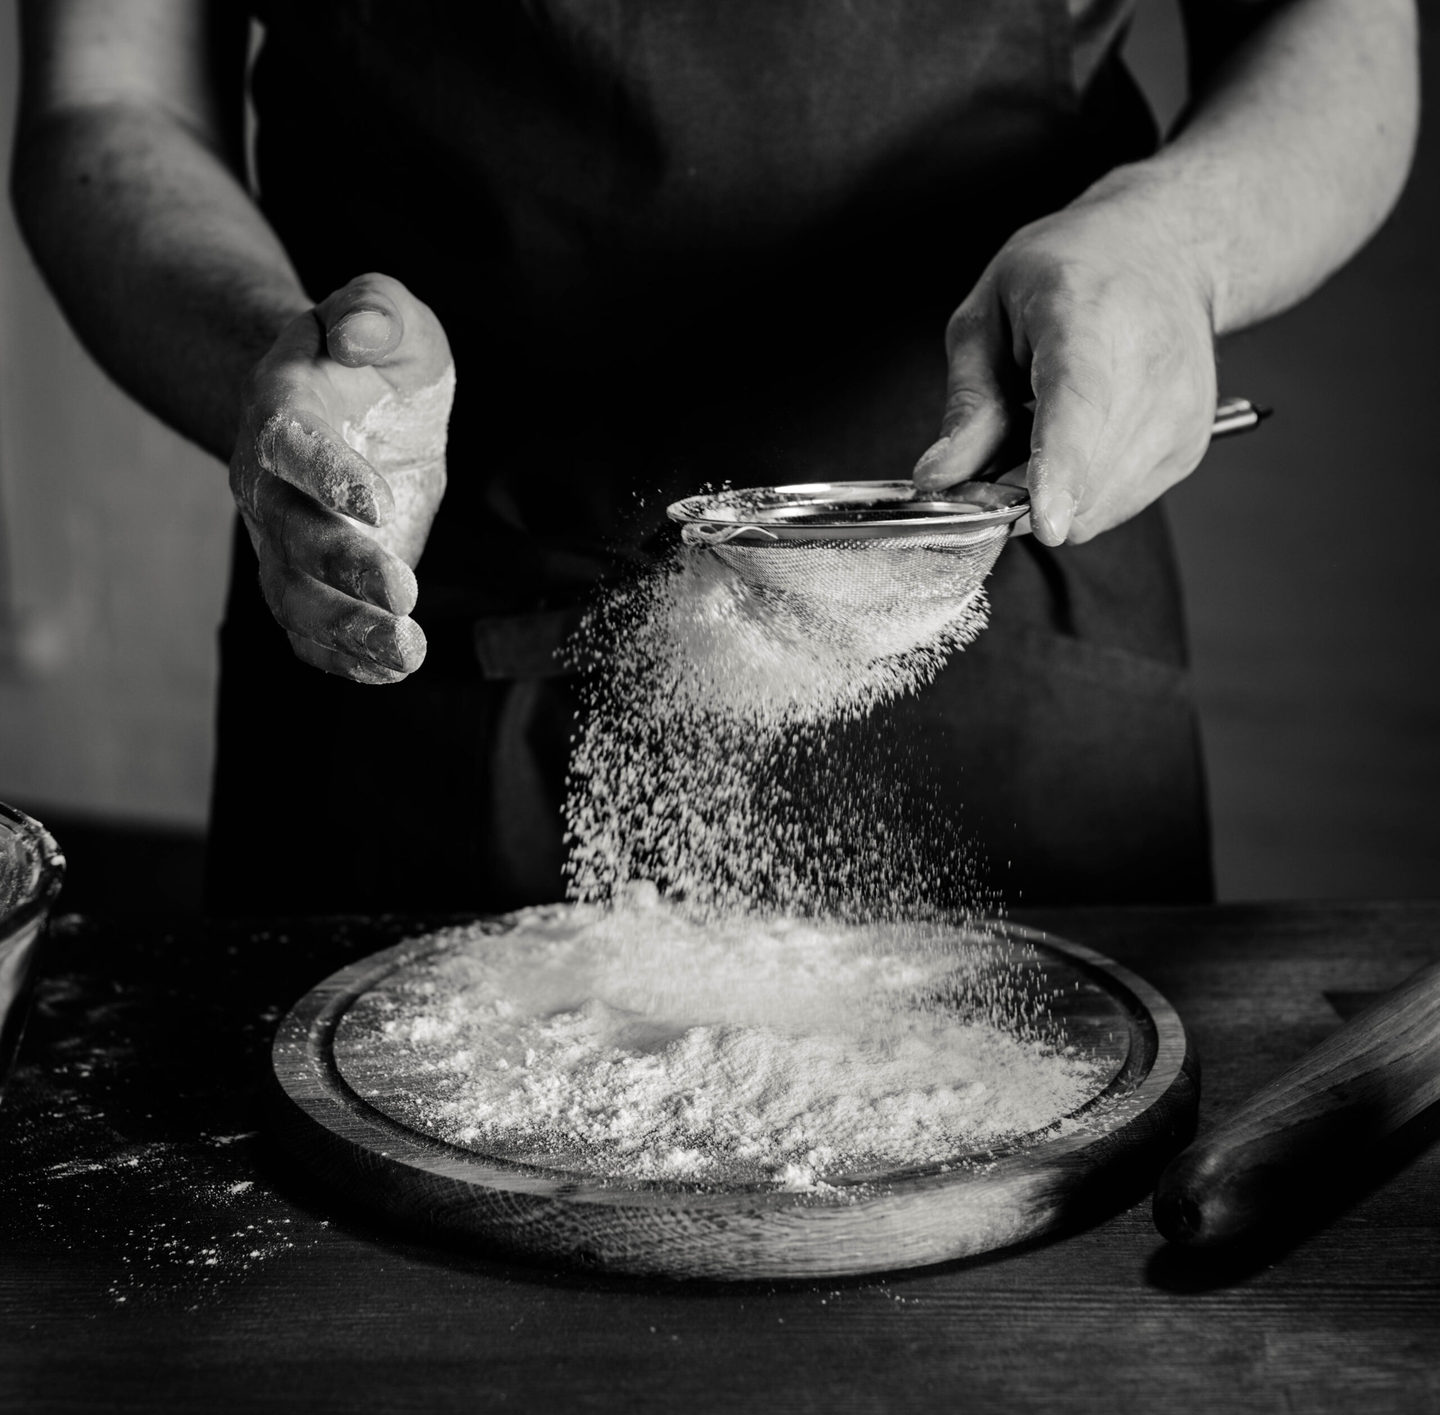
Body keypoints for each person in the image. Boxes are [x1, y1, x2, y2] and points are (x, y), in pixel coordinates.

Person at [11, 1, 1419, 913]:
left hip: (982, 609)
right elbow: (111, 98)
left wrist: (1174, 244)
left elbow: (1345, 40)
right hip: (412, 642)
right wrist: (277, 361)